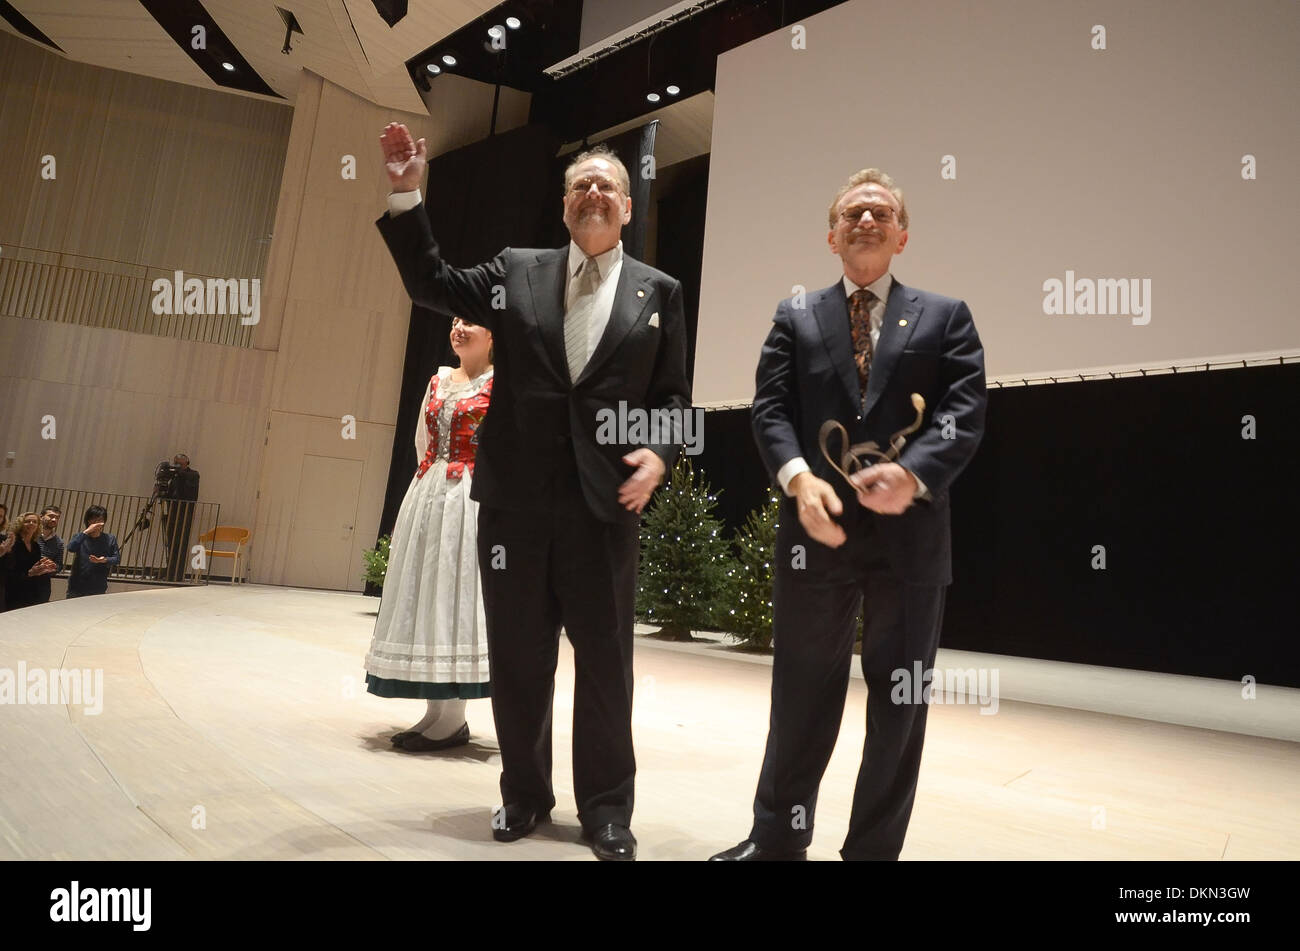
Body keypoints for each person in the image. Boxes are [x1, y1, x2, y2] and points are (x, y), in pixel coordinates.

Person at [375, 123, 690, 860]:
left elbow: (675, 400)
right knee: (519, 659)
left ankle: (608, 810)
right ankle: (523, 794)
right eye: (580, 184)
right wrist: (404, 190)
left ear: (627, 207)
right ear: (564, 207)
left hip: (605, 509)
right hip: (515, 505)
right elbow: (433, 283)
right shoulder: (516, 271)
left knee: (607, 667)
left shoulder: (660, 293)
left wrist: (662, 454)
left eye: (606, 185)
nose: (592, 194)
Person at [711, 168, 987, 862]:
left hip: (912, 537)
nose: (867, 219)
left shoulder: (946, 314)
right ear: (831, 234)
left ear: (902, 234)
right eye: (853, 212)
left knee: (900, 705)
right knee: (800, 691)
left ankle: (872, 852)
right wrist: (798, 479)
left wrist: (916, 473)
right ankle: (777, 837)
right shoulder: (796, 312)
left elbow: (964, 412)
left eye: (881, 211)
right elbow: (771, 409)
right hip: (815, 529)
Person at [363, 316, 495, 751]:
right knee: (426, 589)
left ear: (493, 335)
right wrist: (430, 483)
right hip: (431, 490)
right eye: (456, 320)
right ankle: (436, 711)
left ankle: (454, 715)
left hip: (470, 497)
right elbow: (423, 440)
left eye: (471, 322)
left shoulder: (500, 385)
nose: (458, 327)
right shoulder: (438, 380)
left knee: (455, 590)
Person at [2, 512, 58, 610]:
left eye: (34, 522)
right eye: (27, 521)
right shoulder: (13, 543)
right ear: (20, 524)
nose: (31, 523)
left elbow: (34, 565)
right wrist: (30, 573)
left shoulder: (35, 546)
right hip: (14, 589)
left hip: (31, 589)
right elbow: (8, 569)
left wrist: (45, 566)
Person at [66, 505, 121, 598]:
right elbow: (71, 548)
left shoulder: (110, 539)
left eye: (100, 520)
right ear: (88, 521)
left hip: (98, 586)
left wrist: (104, 560)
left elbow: (117, 559)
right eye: (93, 520)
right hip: (76, 587)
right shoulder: (80, 536)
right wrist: (86, 532)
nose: (97, 523)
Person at [162, 453, 199, 582]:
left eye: (179, 463)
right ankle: (170, 570)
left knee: (181, 542)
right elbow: (169, 494)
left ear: (186, 462)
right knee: (171, 542)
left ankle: (178, 573)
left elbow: (190, 489)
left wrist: (177, 472)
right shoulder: (175, 477)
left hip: (184, 513)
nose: (176, 466)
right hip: (173, 511)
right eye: (175, 463)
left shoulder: (193, 474)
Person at [36, 505, 65, 602]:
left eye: (57, 517)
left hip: (43, 584)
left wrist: (51, 567)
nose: (54, 519)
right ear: (41, 517)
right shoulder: (30, 534)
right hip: (22, 579)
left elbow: (59, 565)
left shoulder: (59, 542)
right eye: (51, 516)